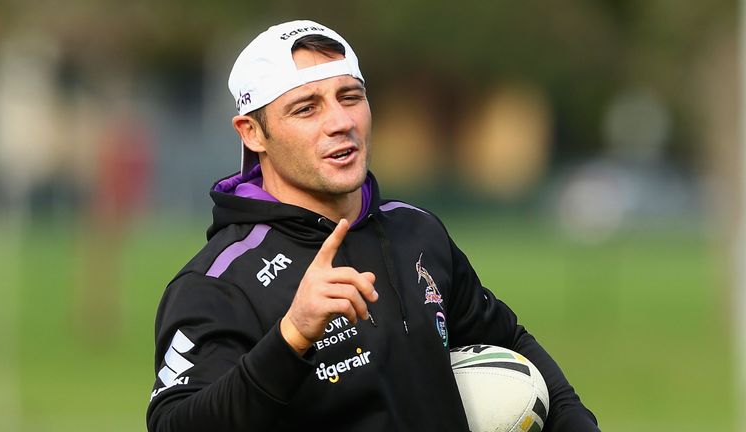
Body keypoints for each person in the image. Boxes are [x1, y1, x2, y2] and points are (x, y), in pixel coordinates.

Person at [147, 20, 600, 432]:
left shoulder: (415, 233)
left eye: (350, 97)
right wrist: (291, 338)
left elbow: (509, 340)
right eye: (306, 109)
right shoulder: (218, 283)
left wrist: (576, 423)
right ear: (252, 133)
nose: (341, 123)